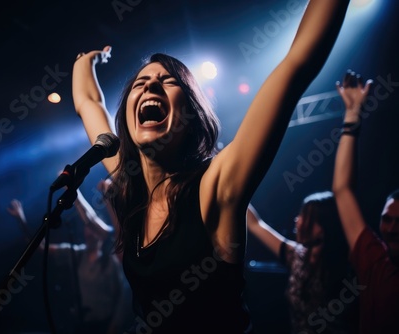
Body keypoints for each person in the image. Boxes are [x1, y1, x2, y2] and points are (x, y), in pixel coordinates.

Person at [72, 2, 351, 332]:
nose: (149, 85)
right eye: (140, 82)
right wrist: (88, 60)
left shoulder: (214, 185)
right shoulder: (131, 184)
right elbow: (88, 103)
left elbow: (296, 65)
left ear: (191, 117)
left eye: (168, 80)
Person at [7, 190, 134, 334]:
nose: (89, 233)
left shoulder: (113, 260)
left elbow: (124, 294)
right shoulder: (77, 253)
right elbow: (42, 247)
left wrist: (115, 325)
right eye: (87, 229)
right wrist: (21, 219)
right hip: (83, 325)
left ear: (100, 232)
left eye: (92, 229)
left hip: (107, 326)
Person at [332, 70, 399, 333]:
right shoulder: (375, 260)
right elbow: (342, 190)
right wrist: (351, 117)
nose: (392, 229)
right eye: (387, 219)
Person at [247, 193, 356, 334]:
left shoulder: (347, 268)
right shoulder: (297, 256)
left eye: (305, 216)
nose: (297, 220)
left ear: (322, 227)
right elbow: (255, 224)